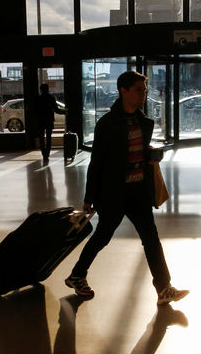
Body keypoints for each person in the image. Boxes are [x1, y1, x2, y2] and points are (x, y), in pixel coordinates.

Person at [64, 70, 188, 305]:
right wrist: (90, 197)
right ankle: (77, 274)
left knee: (151, 238)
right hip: (114, 193)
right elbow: (97, 161)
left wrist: (152, 156)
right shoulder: (107, 124)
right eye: (139, 90)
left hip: (138, 191)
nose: (144, 94)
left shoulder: (143, 122)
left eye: (144, 90)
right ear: (124, 91)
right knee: (102, 236)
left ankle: (164, 287)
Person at [36, 83, 66, 162]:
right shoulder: (51, 98)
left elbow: (35, 111)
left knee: (41, 138)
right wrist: (64, 112)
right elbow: (56, 109)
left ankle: (44, 153)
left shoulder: (38, 99)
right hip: (49, 120)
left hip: (40, 121)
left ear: (41, 90)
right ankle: (47, 154)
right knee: (49, 138)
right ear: (47, 89)